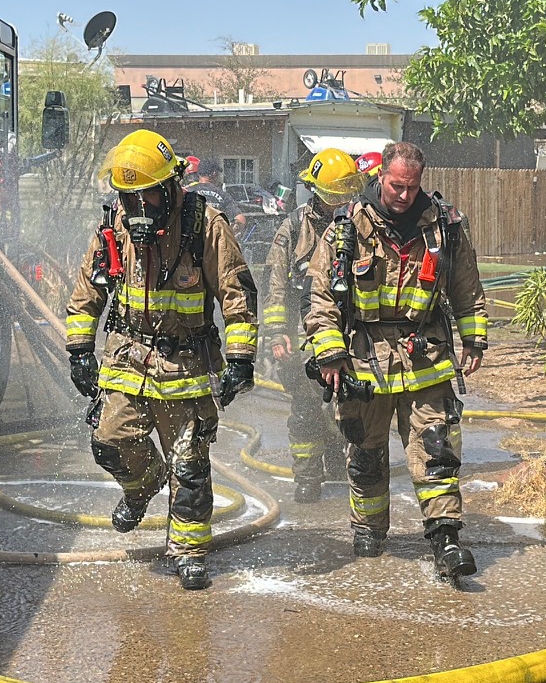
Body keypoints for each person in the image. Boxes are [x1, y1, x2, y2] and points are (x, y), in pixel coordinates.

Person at [65, 129, 259, 590]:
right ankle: (143, 485)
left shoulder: (205, 225)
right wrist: (79, 350)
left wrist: (240, 359)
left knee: (190, 465)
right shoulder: (112, 225)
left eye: (146, 195)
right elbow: (87, 291)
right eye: (128, 197)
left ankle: (189, 552)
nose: (138, 208)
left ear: (170, 185)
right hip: (128, 359)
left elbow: (237, 295)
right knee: (108, 442)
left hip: (188, 366)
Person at [303, 141, 488, 578]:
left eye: (412, 186)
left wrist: (473, 340)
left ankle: (445, 539)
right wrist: (330, 353)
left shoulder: (444, 227)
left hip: (426, 355)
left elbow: (466, 287)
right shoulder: (347, 228)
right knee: (365, 454)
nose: (404, 195)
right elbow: (320, 297)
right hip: (363, 359)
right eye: (396, 185)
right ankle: (368, 529)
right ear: (380, 176)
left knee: (437, 450)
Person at [262, 148, 365, 503]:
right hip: (301, 335)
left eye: (346, 194)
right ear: (317, 193)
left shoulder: (358, 225)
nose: (341, 202)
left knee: (347, 405)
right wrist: (277, 334)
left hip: (347, 332)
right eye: (335, 195)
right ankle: (307, 478)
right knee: (306, 410)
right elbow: (275, 284)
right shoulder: (292, 229)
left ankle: (338, 464)